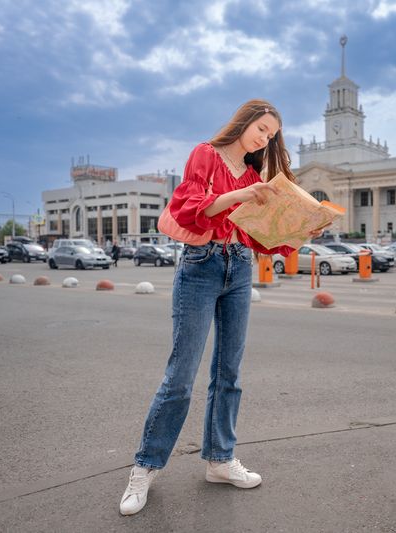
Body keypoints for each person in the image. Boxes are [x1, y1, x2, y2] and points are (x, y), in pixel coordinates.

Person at [119, 100, 326, 516]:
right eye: (262, 128)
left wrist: (306, 226)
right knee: (180, 374)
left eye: (270, 135)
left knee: (228, 372)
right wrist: (240, 193)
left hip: (240, 268)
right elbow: (190, 208)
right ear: (245, 121)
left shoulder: (255, 175)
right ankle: (144, 468)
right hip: (200, 266)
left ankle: (220, 459)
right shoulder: (205, 155)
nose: (264, 138)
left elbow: (263, 238)